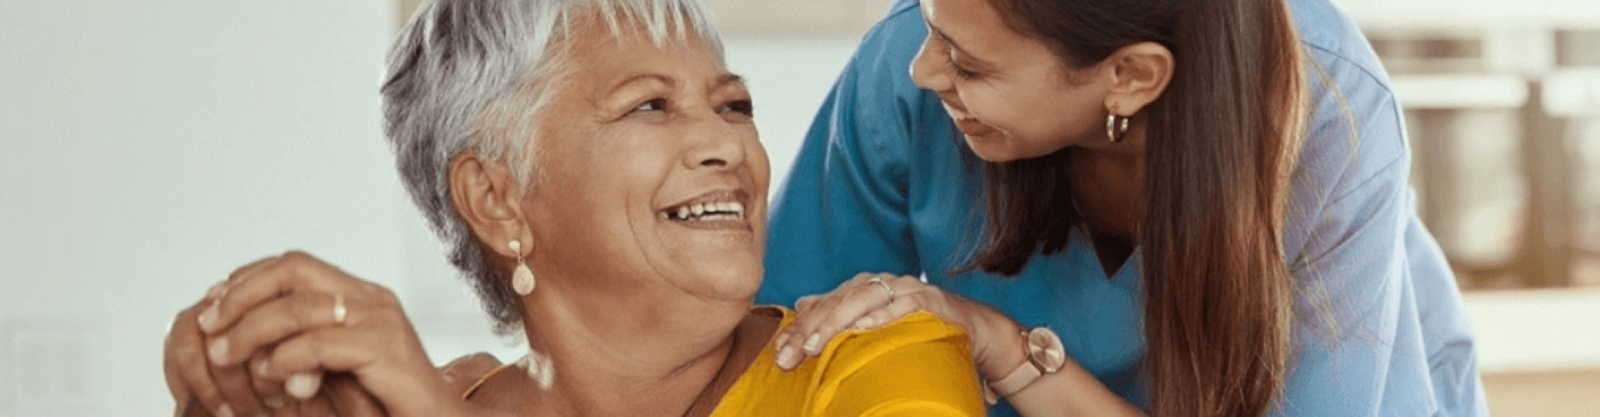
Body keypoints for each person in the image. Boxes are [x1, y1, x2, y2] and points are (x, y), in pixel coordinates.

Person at [160, 0, 985, 416]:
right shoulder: (430, 401)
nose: (729, 146)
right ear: (497, 197)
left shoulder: (880, 360)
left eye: (733, 106)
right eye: (650, 107)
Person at [759, 0, 1488, 416]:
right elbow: (786, 350)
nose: (924, 68)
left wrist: (1000, 343)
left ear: (1131, 76)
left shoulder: (1330, 117)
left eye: (969, 65)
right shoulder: (910, 66)